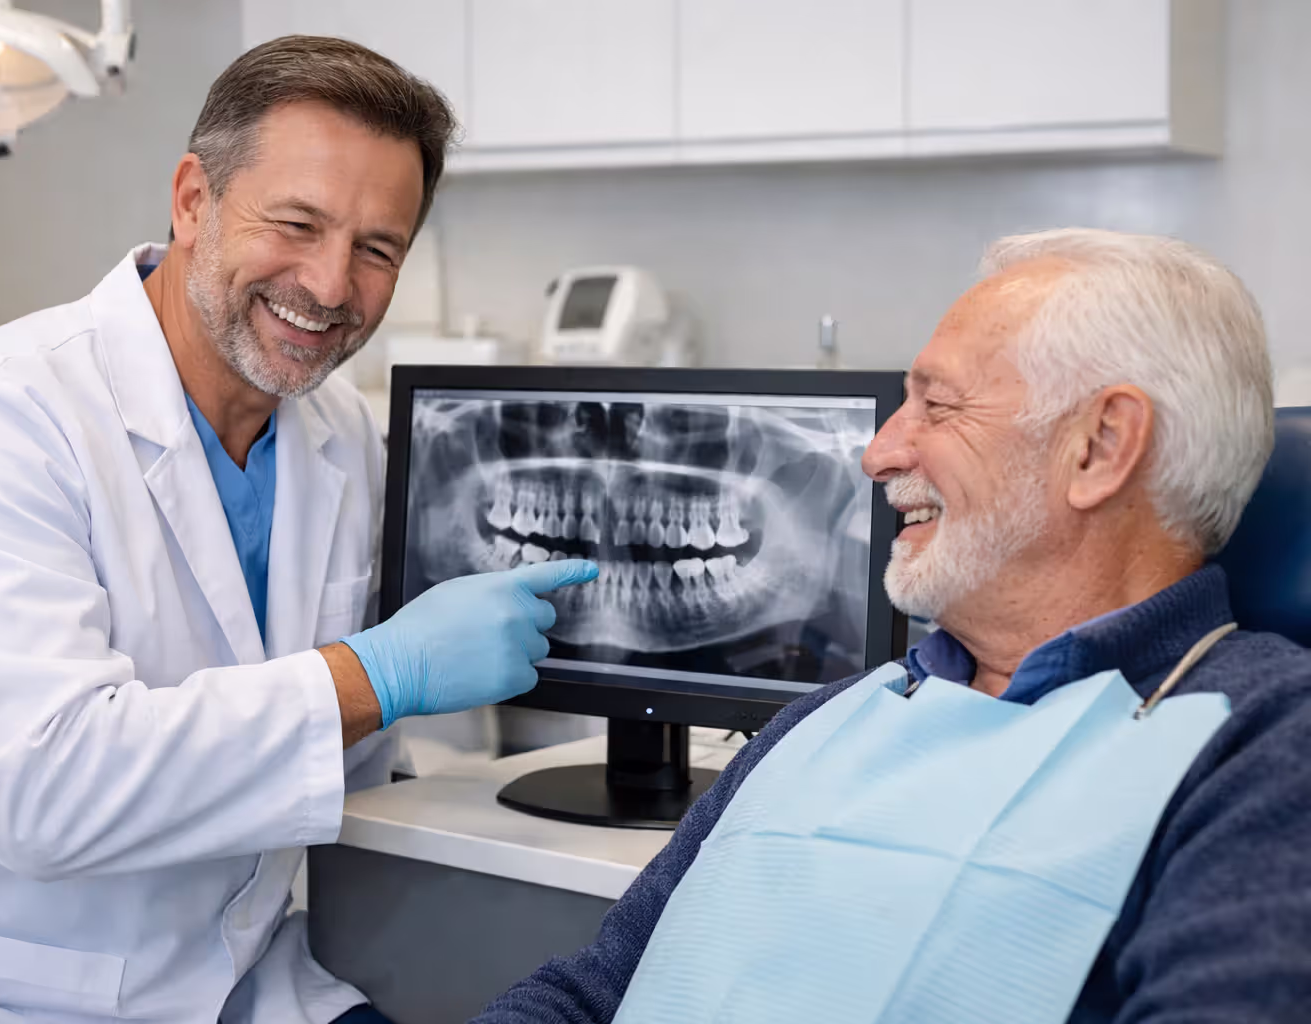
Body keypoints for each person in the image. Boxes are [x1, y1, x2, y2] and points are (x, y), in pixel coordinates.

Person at [0, 36, 594, 1024]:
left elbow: (350, 766)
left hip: (238, 978)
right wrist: (375, 675)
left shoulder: (341, 443)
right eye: (297, 223)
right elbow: (48, 790)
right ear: (194, 199)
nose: (332, 287)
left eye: (378, 249)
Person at [475, 229, 1311, 1024]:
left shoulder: (1269, 747)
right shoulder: (827, 716)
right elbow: (593, 992)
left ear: (1100, 445)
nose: (879, 453)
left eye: (937, 408)